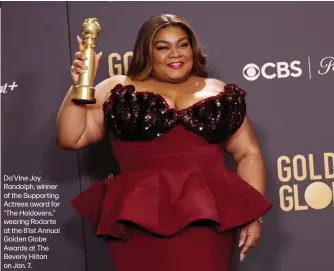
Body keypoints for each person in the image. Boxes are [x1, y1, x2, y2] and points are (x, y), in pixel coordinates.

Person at [56, 14, 272, 271]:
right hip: (138, 217)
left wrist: (253, 215)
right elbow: (72, 137)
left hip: (206, 220)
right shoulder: (118, 88)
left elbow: (248, 153)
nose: (175, 54)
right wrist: (81, 84)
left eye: (182, 44)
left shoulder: (218, 91)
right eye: (163, 47)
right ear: (146, 51)